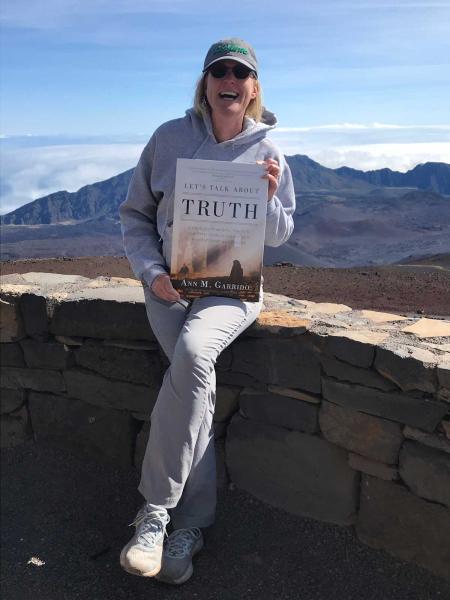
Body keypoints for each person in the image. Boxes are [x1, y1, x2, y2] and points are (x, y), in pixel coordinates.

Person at [118, 37, 295, 586]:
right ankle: (191, 529)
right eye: (219, 70)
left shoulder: (269, 152)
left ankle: (154, 512)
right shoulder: (169, 139)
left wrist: (266, 199)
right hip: (170, 290)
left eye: (240, 73)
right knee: (196, 388)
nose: (229, 79)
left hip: (231, 291)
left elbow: (283, 233)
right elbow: (135, 216)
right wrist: (153, 275)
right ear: (205, 82)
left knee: (194, 355)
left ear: (252, 88)